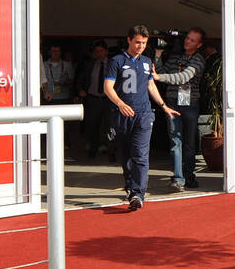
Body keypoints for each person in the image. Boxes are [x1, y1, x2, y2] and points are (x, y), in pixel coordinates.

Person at [103, 25, 179, 211]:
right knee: (127, 156)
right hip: (122, 115)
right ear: (129, 40)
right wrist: (120, 104)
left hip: (144, 114)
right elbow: (108, 87)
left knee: (140, 155)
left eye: (144, 43)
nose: (140, 46)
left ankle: (138, 193)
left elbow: (151, 86)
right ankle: (131, 187)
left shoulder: (146, 61)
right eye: (137, 42)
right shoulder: (117, 61)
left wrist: (163, 106)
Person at [153, 27, 206, 191]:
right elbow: (160, 72)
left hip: (190, 104)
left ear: (199, 45)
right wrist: (158, 55)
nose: (187, 41)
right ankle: (178, 178)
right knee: (175, 141)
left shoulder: (199, 60)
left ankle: (189, 176)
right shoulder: (175, 57)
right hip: (172, 102)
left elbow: (182, 77)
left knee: (189, 144)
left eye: (192, 40)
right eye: (187, 38)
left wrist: (159, 77)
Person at [76, 40, 110, 159]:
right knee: (92, 125)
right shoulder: (90, 64)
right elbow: (80, 79)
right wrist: (80, 89)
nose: (99, 54)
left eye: (101, 51)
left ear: (106, 51)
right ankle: (93, 148)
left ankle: (109, 149)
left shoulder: (112, 64)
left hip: (108, 99)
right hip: (93, 98)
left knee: (108, 125)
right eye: (96, 51)